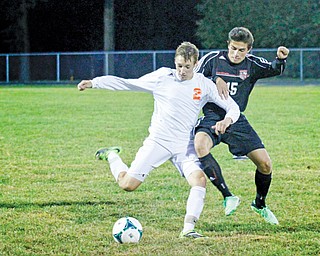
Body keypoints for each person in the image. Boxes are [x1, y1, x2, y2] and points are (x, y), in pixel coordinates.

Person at [77, 42, 240, 239]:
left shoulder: (204, 84)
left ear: (196, 65)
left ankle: (188, 229)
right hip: (158, 142)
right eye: (179, 65)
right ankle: (112, 156)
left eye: (187, 67)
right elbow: (128, 83)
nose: (182, 71)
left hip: (184, 145)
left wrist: (227, 119)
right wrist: (95, 82)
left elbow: (233, 107)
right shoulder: (162, 77)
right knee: (127, 185)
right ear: (175, 62)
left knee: (199, 179)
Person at [194, 27, 290, 224]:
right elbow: (193, 78)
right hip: (212, 116)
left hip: (237, 120)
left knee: (265, 164)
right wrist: (215, 79)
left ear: (249, 50)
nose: (236, 54)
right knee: (200, 145)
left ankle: (260, 204)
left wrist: (281, 59)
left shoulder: (252, 64)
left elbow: (274, 68)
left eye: (241, 50)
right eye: (233, 48)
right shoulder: (213, 59)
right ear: (228, 45)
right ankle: (228, 196)